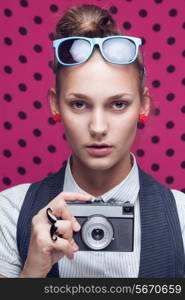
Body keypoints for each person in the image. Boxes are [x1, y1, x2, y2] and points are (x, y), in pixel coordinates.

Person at [0, 4, 184, 278]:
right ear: (55, 104)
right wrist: (32, 274)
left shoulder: (181, 218)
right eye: (79, 104)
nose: (98, 127)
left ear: (143, 105)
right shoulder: (10, 212)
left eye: (118, 104)